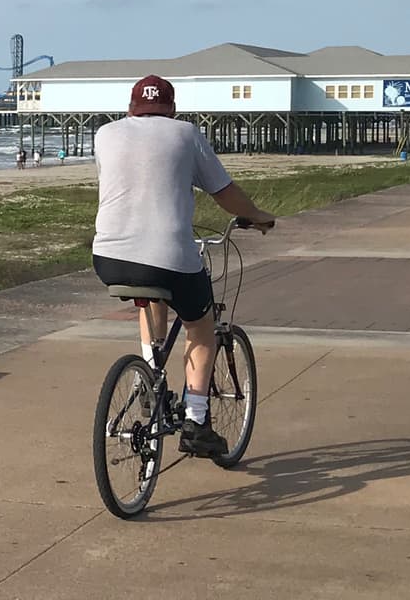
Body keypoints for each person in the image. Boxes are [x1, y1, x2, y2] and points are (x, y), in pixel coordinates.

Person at [91, 75, 275, 458]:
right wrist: (256, 215)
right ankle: (195, 419)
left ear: (130, 108)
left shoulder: (104, 134)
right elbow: (224, 192)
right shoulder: (187, 134)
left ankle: (147, 373)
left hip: (108, 257)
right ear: (172, 110)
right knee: (200, 326)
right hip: (169, 257)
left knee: (149, 295)